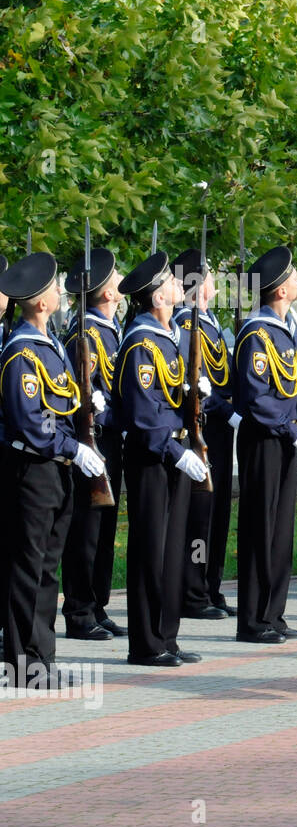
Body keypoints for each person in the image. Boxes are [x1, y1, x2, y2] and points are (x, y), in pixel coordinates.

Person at [0, 252, 109, 686]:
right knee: (27, 569)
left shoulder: (53, 347)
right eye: (55, 288)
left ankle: (39, 659)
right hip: (32, 469)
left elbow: (62, 403)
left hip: (56, 470)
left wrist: (89, 410)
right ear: (41, 303)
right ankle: (22, 664)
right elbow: (30, 420)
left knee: (47, 568)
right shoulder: (21, 352)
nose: (61, 292)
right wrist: (71, 446)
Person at [114, 251, 210, 666]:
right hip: (154, 457)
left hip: (175, 452)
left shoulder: (168, 336)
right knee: (152, 551)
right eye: (171, 281)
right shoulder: (140, 343)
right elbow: (143, 413)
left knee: (172, 551)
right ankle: (146, 643)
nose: (177, 285)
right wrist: (175, 451)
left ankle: (166, 636)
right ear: (157, 298)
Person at [232, 245, 297, 643]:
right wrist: (293, 430)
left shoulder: (290, 330)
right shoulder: (257, 333)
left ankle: (275, 614)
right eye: (294, 277)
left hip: (286, 437)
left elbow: (292, 384)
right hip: (265, 440)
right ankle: (253, 620)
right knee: (260, 528)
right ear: (281, 290)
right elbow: (256, 398)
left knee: (282, 529)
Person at [60, 247, 127, 641]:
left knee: (104, 530)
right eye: (116, 278)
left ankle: (97, 604)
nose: (121, 284)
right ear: (105, 292)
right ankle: (79, 611)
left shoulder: (108, 328)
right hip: (91, 441)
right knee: (85, 531)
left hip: (111, 440)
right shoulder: (83, 333)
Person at [172, 248, 239, 620]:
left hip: (219, 428)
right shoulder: (186, 323)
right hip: (205, 425)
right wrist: (226, 411)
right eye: (210, 276)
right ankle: (193, 591)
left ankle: (210, 585)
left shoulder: (209, 321)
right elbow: (194, 383)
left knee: (216, 513)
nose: (215, 283)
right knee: (200, 514)